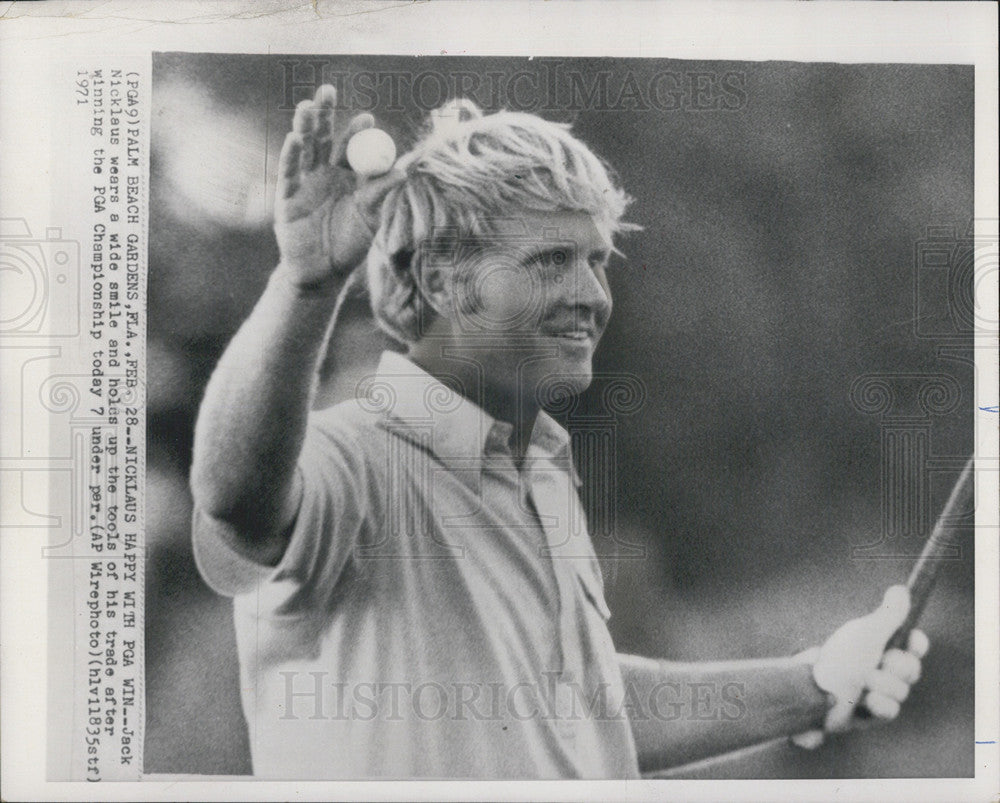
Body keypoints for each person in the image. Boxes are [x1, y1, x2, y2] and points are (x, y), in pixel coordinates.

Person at [190, 85, 929, 779]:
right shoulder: (356, 455)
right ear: (445, 280)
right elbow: (234, 497)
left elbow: (581, 705)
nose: (591, 294)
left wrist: (814, 680)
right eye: (550, 261)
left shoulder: (537, 466)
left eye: (596, 260)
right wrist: (305, 285)